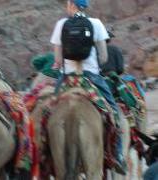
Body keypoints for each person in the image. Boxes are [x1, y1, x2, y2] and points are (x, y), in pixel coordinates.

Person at [50, 0, 127, 175]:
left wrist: (62, 64)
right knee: (113, 111)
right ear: (85, 6)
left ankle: (43, 153)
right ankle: (118, 154)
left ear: (71, 5)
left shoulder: (61, 24)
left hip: (67, 78)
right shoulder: (96, 24)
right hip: (92, 77)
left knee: (49, 110)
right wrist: (95, 65)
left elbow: (57, 59)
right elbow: (104, 56)